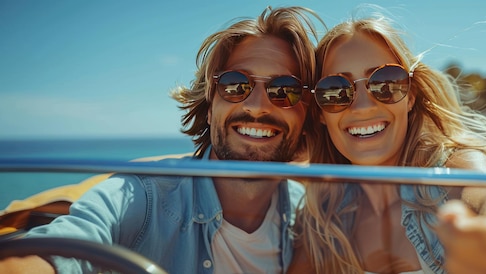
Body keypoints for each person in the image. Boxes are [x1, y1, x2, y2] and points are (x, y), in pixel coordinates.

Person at [0, 6, 319, 274]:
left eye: (285, 90)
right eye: (236, 85)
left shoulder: (312, 217)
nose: (256, 105)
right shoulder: (143, 197)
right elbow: (58, 251)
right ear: (209, 107)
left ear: (306, 117)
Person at [288, 16, 486, 274]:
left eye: (385, 83)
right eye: (335, 90)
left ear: (410, 96)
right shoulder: (320, 220)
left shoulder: (453, 169)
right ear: (320, 113)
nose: (363, 106)